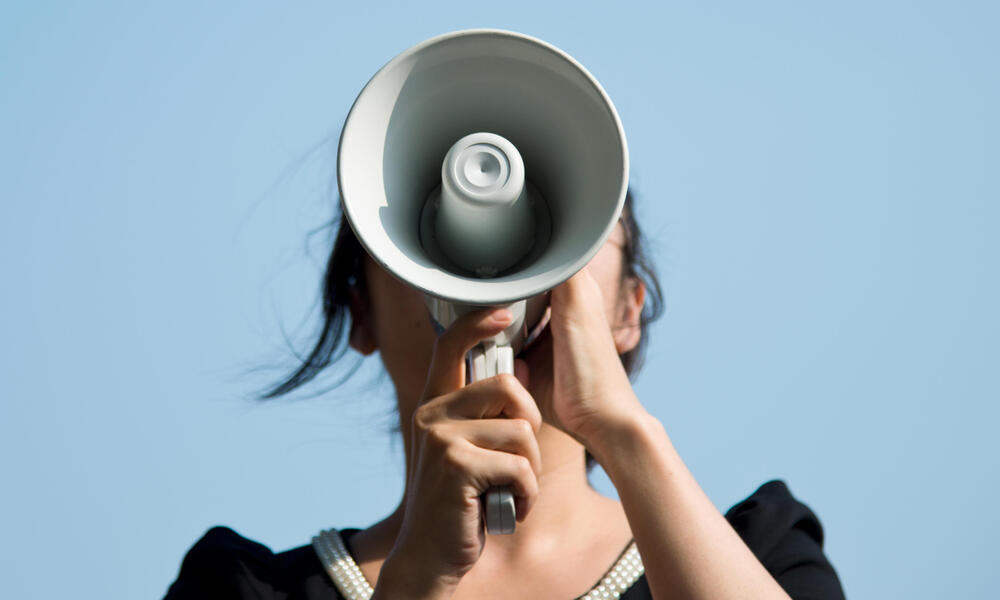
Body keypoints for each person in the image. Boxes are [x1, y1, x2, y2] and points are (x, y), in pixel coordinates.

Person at [164, 191, 845, 599]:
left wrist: (624, 433)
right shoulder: (240, 591)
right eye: (432, 232)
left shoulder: (763, 556)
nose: (496, 268)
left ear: (628, 310)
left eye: (557, 232)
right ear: (359, 312)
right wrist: (416, 583)